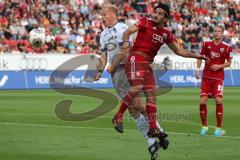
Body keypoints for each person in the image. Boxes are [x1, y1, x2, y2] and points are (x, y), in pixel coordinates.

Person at [107, 3, 207, 141]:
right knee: (137, 87)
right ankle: (118, 116)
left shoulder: (166, 34)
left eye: (160, 13)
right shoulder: (145, 22)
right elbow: (127, 32)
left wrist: (197, 56)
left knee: (151, 96)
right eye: (155, 12)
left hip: (147, 64)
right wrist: (125, 43)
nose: (156, 15)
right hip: (135, 58)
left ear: (166, 18)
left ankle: (153, 128)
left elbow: (179, 51)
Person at [94, 4, 165, 160]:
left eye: (104, 14)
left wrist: (112, 65)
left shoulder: (122, 28)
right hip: (115, 76)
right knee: (133, 111)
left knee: (138, 105)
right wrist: (99, 71)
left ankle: (158, 131)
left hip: (126, 69)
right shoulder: (103, 35)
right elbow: (103, 55)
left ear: (112, 13)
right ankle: (152, 142)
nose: (102, 18)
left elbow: (125, 50)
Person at [196, 25, 232, 137]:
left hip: (218, 77)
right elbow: (200, 57)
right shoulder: (206, 44)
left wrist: (219, 66)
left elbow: (229, 63)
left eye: (219, 31)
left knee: (218, 100)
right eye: (216, 31)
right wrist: (198, 70)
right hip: (206, 77)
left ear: (222, 33)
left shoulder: (227, 47)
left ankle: (218, 127)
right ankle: (204, 126)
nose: (217, 32)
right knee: (202, 101)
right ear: (213, 33)